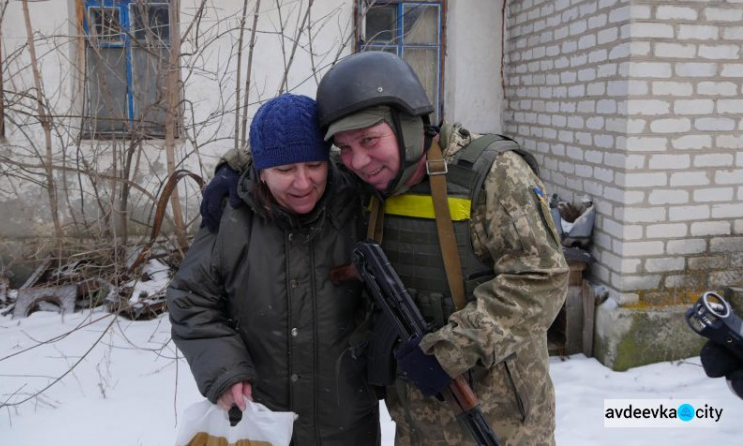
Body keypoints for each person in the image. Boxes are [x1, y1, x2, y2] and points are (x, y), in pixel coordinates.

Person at [202, 52, 569, 445]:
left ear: (408, 123)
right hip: (413, 421)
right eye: (345, 148)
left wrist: (451, 349)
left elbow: (541, 280)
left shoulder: (492, 174)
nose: (359, 160)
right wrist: (239, 169)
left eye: (369, 140)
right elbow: (291, 155)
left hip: (499, 421)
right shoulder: (369, 176)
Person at [167, 93, 380, 446]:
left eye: (314, 165)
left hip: (346, 422)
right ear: (261, 170)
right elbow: (190, 299)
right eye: (284, 169)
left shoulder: (358, 202)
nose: (303, 182)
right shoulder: (231, 215)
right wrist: (224, 371)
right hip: (260, 423)